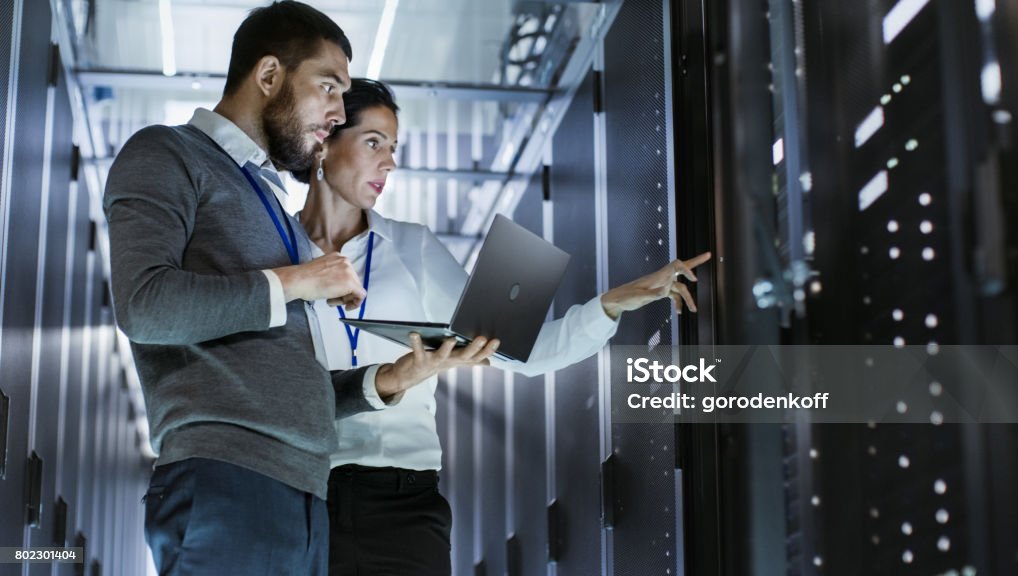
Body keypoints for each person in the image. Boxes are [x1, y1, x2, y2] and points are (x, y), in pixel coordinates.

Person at [103, 4, 495, 575]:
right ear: (268, 77)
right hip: (228, 479)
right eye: (328, 87)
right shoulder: (167, 153)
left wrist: (391, 380)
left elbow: (289, 381)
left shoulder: (273, 212)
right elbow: (145, 306)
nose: (337, 112)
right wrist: (299, 280)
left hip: (304, 495)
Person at [293, 78, 712, 575]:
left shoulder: (413, 248)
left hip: (402, 503)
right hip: (299, 495)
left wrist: (611, 304)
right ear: (325, 142)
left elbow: (522, 352)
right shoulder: (274, 252)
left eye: (394, 148)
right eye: (373, 143)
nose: (390, 162)